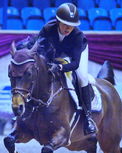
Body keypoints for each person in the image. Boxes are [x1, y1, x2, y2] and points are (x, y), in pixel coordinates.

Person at [38, 2, 96, 135]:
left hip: (76, 55)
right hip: (57, 54)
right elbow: (38, 46)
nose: (68, 28)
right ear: (58, 21)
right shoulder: (47, 29)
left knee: (82, 77)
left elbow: (74, 64)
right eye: (65, 24)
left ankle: (88, 117)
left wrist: (59, 67)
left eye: (72, 25)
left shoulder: (77, 36)